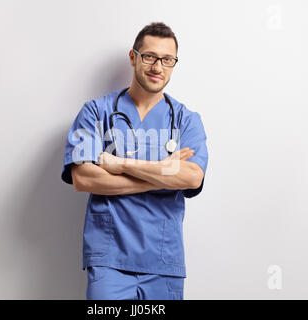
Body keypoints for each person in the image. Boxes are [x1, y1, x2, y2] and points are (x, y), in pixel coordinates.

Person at [61, 22, 208, 300]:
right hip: (110, 260)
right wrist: (163, 173)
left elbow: (191, 178)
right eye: (149, 56)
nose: (157, 67)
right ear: (133, 57)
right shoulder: (96, 112)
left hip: (163, 262)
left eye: (167, 60)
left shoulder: (187, 120)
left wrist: (122, 165)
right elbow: (84, 179)